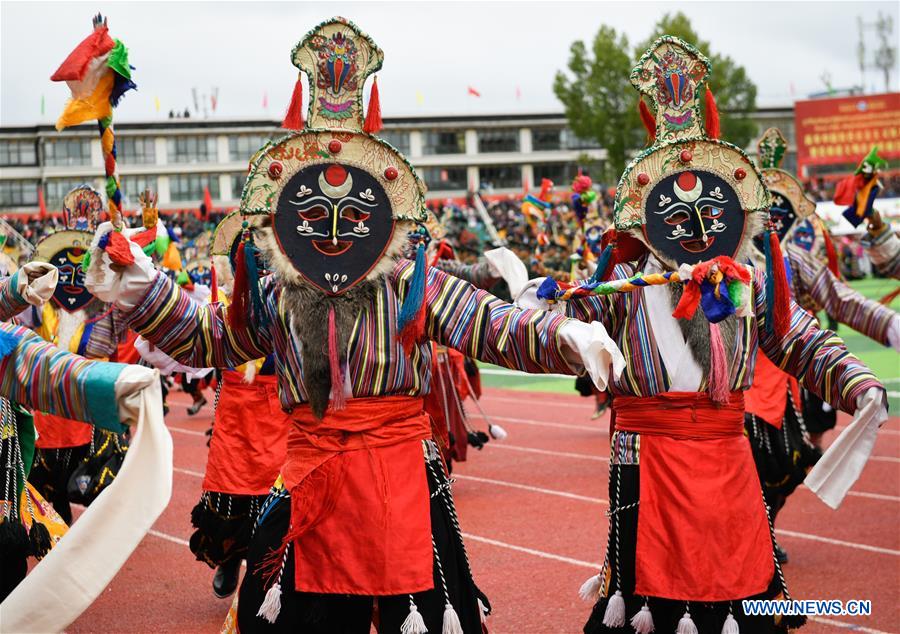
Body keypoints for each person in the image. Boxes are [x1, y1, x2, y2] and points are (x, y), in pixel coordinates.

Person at [84, 17, 621, 634]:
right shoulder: (276, 292)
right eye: (313, 213)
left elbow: (492, 324)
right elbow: (212, 338)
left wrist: (564, 336)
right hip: (311, 479)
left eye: (355, 211)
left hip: (400, 484)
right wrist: (140, 287)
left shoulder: (413, 282)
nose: (335, 230)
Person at [528, 36, 887, 633]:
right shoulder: (622, 274)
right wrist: (561, 327)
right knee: (651, 609)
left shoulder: (751, 274)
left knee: (738, 599)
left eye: (711, 213)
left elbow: (799, 338)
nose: (695, 229)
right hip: (646, 461)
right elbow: (565, 333)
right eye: (674, 215)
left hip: (726, 457)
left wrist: (856, 381)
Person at [742, 128, 899, 563]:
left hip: (786, 375)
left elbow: (840, 300)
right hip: (722, 386)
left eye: (779, 209)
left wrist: (886, 337)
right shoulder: (717, 262)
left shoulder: (794, 260)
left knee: (787, 461)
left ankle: (760, 533)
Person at [18, 186, 132, 524]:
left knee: (102, 499)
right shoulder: (39, 302)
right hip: (49, 412)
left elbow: (125, 350)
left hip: (93, 409)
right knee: (50, 504)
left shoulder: (109, 303)